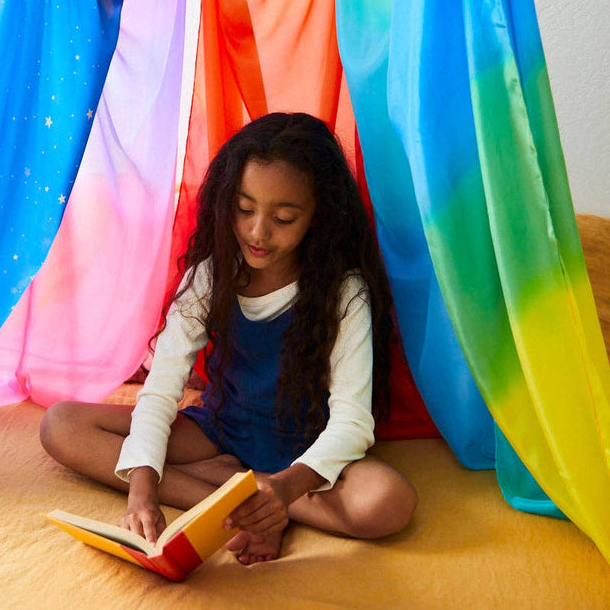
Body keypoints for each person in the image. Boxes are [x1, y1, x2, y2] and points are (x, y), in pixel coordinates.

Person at [40, 112, 417, 565]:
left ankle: (252, 494)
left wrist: (285, 486)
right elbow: (160, 392)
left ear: (319, 216)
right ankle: (249, 502)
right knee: (60, 425)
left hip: (304, 455)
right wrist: (140, 492)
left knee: (388, 501)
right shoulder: (209, 275)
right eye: (244, 209)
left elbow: (352, 423)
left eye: (283, 217)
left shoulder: (344, 291)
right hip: (220, 431)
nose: (257, 232)